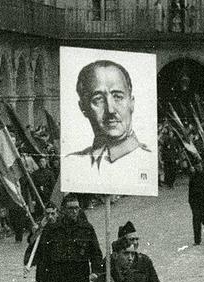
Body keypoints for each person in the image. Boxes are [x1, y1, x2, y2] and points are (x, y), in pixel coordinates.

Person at [63, 60, 155, 188]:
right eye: (98, 99)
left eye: (117, 97)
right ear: (83, 107)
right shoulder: (72, 164)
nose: (110, 110)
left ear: (131, 103)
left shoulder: (149, 160)